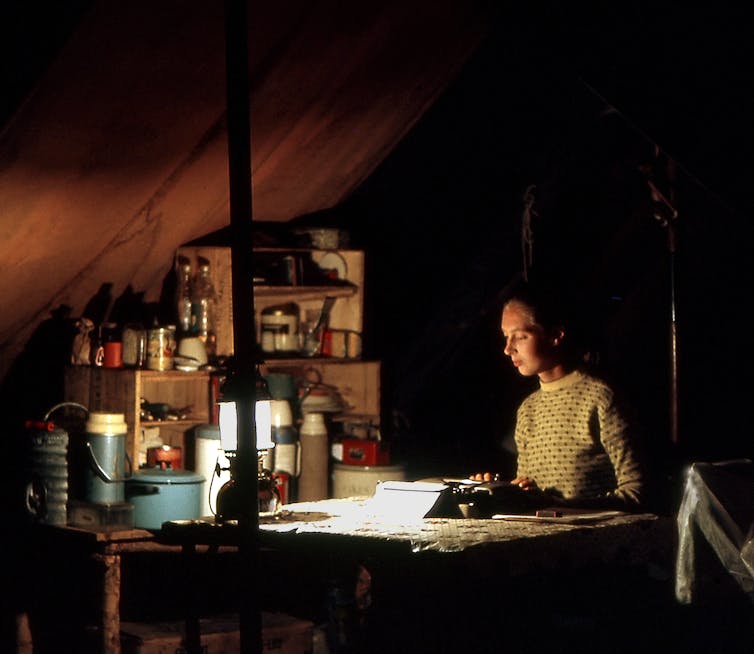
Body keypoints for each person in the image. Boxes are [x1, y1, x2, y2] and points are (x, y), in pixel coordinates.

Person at [471, 279, 648, 511]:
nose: (508, 348)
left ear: (555, 335)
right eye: (506, 336)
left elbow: (636, 493)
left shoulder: (600, 399)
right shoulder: (528, 409)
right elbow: (531, 491)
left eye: (520, 336)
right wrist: (502, 489)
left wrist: (562, 507)